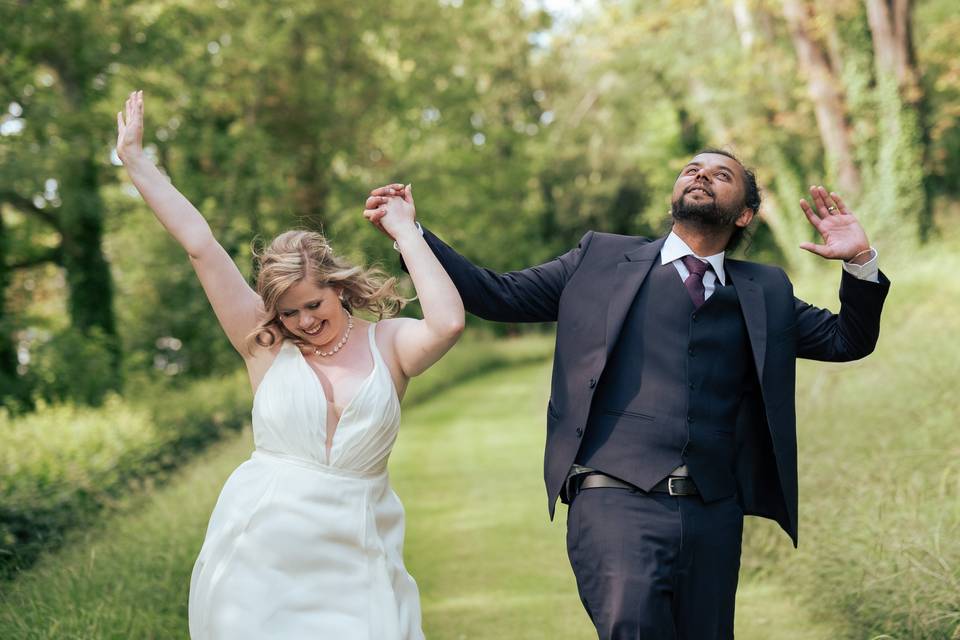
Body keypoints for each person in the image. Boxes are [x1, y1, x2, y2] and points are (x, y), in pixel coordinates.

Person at [363, 149, 889, 639]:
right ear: (673, 197)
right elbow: (496, 295)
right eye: (691, 169)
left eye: (721, 174)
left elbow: (849, 340)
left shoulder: (766, 290)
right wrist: (411, 234)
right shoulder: (598, 259)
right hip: (613, 497)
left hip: (713, 511)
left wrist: (859, 259)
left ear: (745, 215)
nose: (701, 174)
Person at [116, 90, 464, 639]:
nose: (302, 322)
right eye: (289, 311)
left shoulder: (389, 345)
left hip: (359, 558)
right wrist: (136, 161)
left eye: (313, 305)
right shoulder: (263, 343)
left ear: (339, 289)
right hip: (258, 559)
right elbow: (201, 245)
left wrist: (406, 231)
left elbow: (447, 324)